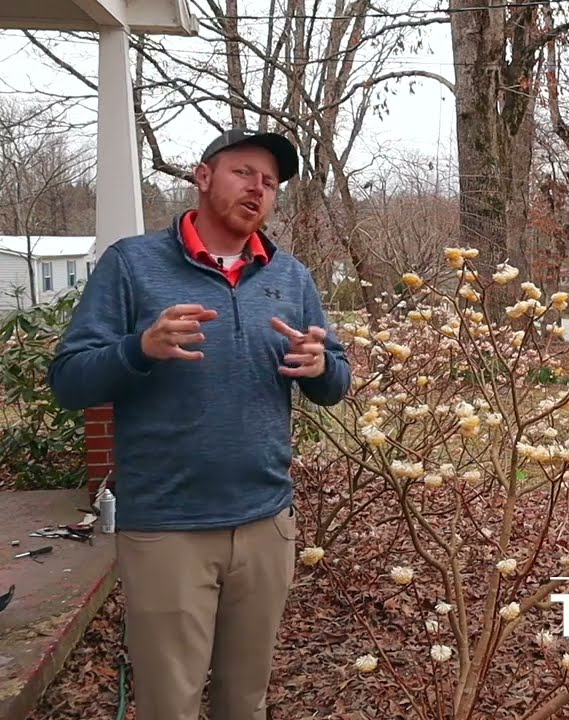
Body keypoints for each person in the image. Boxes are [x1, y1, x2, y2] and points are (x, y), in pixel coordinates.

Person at [48, 128, 351, 720]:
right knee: (171, 706)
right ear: (203, 176)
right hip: (168, 529)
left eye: (270, 182)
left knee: (246, 702)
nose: (258, 189)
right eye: (244, 172)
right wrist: (139, 348)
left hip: (266, 524)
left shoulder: (291, 278)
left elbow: (334, 384)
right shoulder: (133, 265)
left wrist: (321, 366)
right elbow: (70, 379)